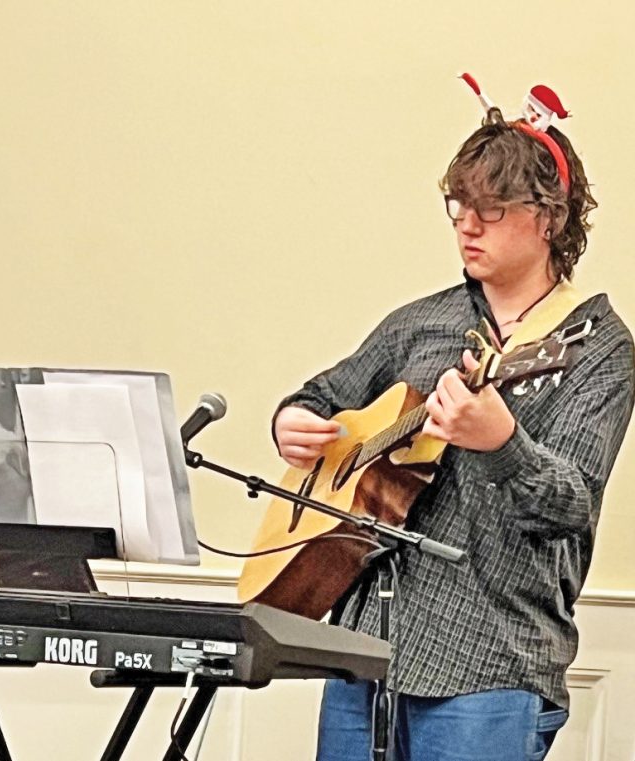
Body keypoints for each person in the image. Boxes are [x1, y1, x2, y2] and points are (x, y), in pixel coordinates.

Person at [272, 79, 634, 760]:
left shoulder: (597, 346)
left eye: (490, 209)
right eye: (459, 206)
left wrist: (502, 442)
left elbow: (572, 505)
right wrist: (293, 419)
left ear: (550, 218)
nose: (467, 224)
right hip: (364, 650)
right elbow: (324, 394)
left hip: (490, 660)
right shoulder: (422, 322)